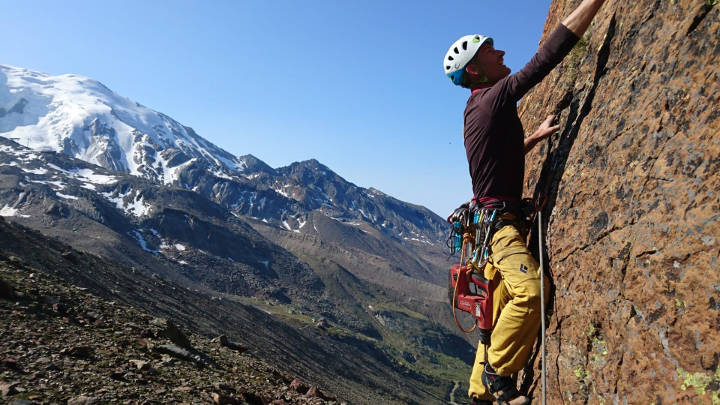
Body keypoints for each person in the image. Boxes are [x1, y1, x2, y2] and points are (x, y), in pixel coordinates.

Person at [443, 1, 607, 404]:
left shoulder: (476, 108)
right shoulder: (493, 97)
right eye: (489, 50)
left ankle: (480, 392)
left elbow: (493, 158)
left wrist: (532, 137)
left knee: (493, 316)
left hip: (489, 222)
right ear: (477, 70)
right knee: (531, 290)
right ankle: (498, 375)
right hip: (499, 227)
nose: (500, 52)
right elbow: (546, 58)